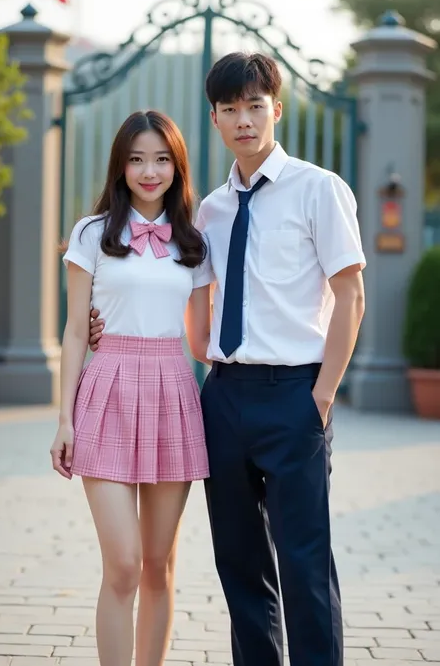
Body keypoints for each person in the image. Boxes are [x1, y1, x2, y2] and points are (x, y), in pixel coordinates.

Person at [89, 52, 366, 666]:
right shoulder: (209, 211)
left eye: (255, 106)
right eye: (230, 109)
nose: (244, 120)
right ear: (214, 119)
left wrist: (321, 395)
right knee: (239, 565)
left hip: (297, 393)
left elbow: (351, 295)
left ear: (277, 109)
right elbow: (191, 303)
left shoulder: (319, 190)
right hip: (224, 398)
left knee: (303, 563)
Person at [50, 110, 214, 666]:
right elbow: (75, 331)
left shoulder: (193, 242)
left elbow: (202, 341)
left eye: (161, 159)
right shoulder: (92, 233)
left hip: (172, 392)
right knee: (122, 563)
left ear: (177, 166)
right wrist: (64, 419)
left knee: (157, 564)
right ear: (120, 166)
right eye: (137, 158)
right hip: (108, 389)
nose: (149, 171)